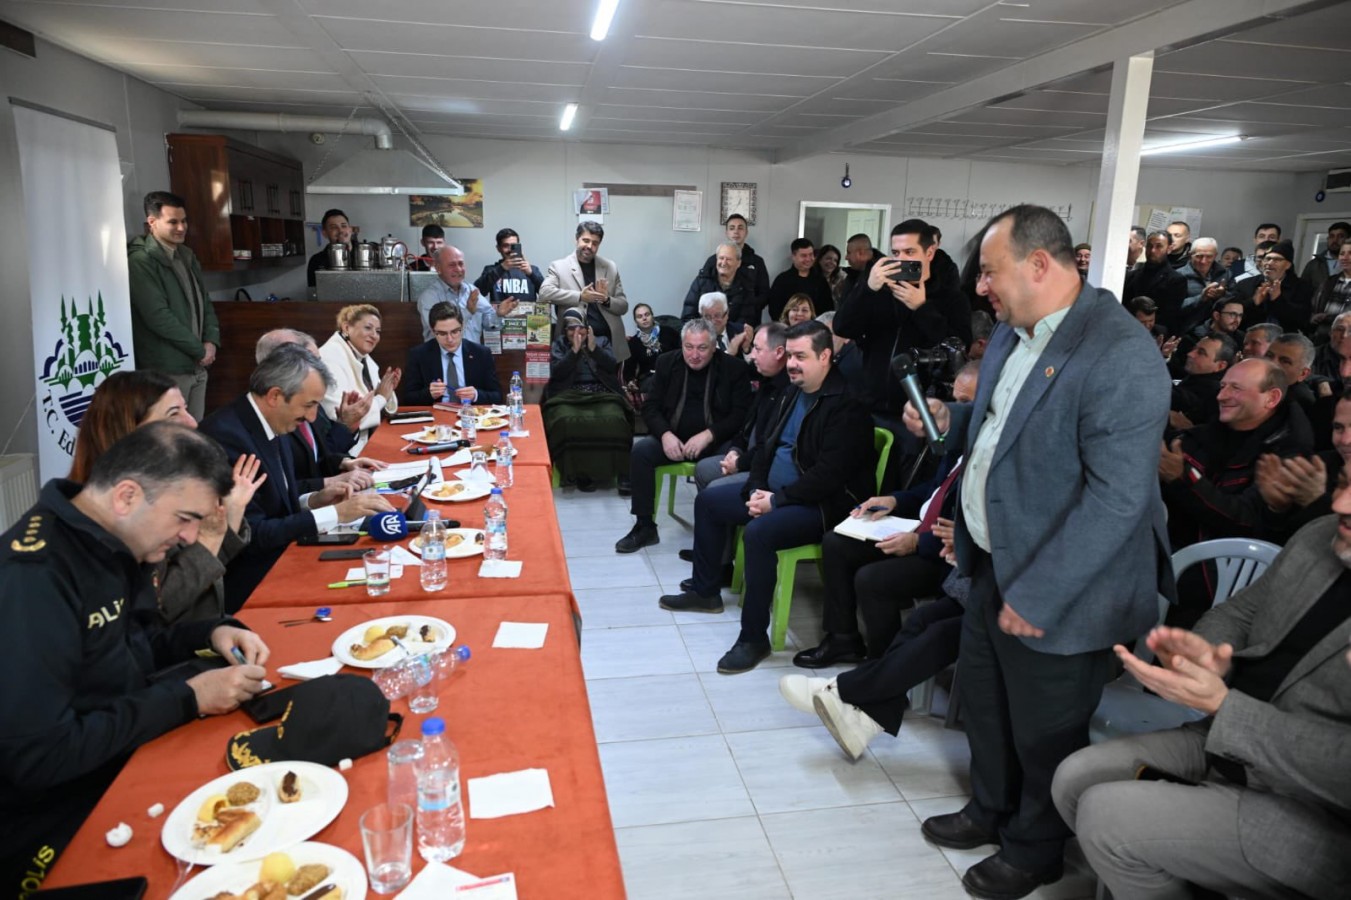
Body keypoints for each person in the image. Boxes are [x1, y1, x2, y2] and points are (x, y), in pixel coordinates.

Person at [904, 205, 1172, 900]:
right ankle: (989, 808)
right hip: (997, 562)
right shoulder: (1011, 332)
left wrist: (1041, 591)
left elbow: (1116, 501)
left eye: (990, 272)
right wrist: (953, 418)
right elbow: (1007, 421)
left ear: (1040, 265)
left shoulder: (1118, 353)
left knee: (1045, 729)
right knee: (987, 703)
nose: (981, 287)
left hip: (1066, 585)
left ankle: (1035, 848)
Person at [0, 422, 270, 887]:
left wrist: (211, 632)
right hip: (58, 818)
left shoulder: (111, 540)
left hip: (124, 756)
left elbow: (136, 648)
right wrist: (189, 698)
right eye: (184, 518)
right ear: (126, 496)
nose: (190, 538)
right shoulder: (34, 577)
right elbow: (39, 756)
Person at [1051, 499, 1351, 900]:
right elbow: (1239, 612)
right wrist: (1207, 652)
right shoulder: (1320, 533)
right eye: (1345, 480)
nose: (1340, 502)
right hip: (1223, 742)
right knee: (1074, 778)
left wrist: (1227, 709)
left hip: (1314, 811)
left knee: (1105, 819)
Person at [659, 321, 875, 674]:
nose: (792, 364)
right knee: (709, 502)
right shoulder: (792, 392)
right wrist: (755, 488)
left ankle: (753, 639)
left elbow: (828, 476)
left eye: (800, 356)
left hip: (823, 505)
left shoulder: (846, 404)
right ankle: (705, 591)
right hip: (779, 494)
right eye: (789, 355)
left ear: (825, 356)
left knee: (760, 534)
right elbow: (765, 448)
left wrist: (776, 501)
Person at [795, 362, 978, 668]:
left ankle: (883, 666)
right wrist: (893, 500)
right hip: (920, 530)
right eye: (955, 400)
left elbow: (969, 533)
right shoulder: (957, 443)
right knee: (836, 542)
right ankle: (842, 638)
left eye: (966, 403)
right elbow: (933, 491)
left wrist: (917, 543)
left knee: (872, 579)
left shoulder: (988, 455)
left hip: (945, 555)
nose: (955, 411)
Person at [199, 345, 394, 609]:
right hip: (257, 582)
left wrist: (314, 500)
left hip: (290, 555)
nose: (312, 417)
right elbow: (252, 533)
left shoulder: (273, 421)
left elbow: (279, 504)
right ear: (275, 396)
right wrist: (336, 514)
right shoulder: (225, 437)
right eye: (309, 405)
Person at [67, 370, 263, 625]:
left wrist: (231, 514)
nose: (192, 423)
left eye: (186, 409)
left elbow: (206, 568)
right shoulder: (115, 508)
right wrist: (210, 539)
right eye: (173, 414)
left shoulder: (164, 481)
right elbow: (158, 607)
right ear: (130, 428)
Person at [1159, 358, 1312, 627]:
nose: (1221, 396)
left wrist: (1183, 479)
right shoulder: (1204, 435)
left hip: (1221, 578)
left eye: (1236, 388)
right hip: (1171, 552)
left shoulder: (1287, 454)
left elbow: (1243, 519)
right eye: (1222, 386)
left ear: (1271, 398)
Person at [615, 318, 752, 553]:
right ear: (682, 345)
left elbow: (740, 415)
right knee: (641, 452)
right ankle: (645, 526)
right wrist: (665, 434)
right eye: (689, 347)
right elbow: (650, 407)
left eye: (702, 348)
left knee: (724, 464)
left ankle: (716, 544)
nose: (694, 355)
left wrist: (709, 434)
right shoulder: (667, 362)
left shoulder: (734, 368)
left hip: (716, 441)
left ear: (714, 347)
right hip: (674, 438)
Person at [832, 219, 971, 429]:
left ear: (930, 252)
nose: (901, 259)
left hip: (920, 411)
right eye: (896, 253)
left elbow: (960, 349)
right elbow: (842, 327)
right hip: (870, 405)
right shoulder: (880, 292)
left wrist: (922, 308)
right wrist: (867, 288)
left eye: (909, 252)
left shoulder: (952, 299)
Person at [127, 191, 220, 420]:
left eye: (184, 221)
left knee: (194, 431)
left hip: (197, 365)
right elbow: (157, 316)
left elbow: (204, 301)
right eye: (173, 222)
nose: (181, 228)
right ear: (152, 222)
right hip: (169, 368)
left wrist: (211, 341)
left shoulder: (186, 255)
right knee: (170, 434)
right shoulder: (141, 260)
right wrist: (199, 350)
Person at [254, 328, 384, 493]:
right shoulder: (268, 417)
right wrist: (327, 483)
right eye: (312, 362)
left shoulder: (309, 397)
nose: (321, 369)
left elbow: (319, 455)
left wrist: (343, 462)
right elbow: (281, 488)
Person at [543, 307, 633, 491]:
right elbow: (557, 373)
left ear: (588, 327)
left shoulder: (601, 341)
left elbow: (611, 366)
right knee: (565, 421)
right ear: (565, 330)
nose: (576, 332)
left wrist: (594, 349)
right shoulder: (560, 344)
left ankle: (623, 473)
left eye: (580, 327)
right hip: (569, 395)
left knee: (616, 419)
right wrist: (574, 351)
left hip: (602, 393)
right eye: (571, 328)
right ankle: (578, 473)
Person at [541, 221, 630, 367]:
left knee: (609, 381)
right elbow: (544, 293)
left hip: (607, 344)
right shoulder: (559, 266)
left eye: (595, 243)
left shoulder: (610, 267)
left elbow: (623, 306)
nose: (589, 246)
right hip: (573, 342)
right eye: (586, 240)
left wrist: (606, 300)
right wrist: (580, 297)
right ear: (576, 239)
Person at [317, 304, 400, 455]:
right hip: (341, 452)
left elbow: (379, 401)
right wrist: (381, 397)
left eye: (378, 331)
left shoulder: (362, 356)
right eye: (368, 328)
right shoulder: (329, 357)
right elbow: (341, 415)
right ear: (346, 328)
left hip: (365, 442)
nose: (374, 335)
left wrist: (387, 390)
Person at [401, 302, 502, 405]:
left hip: (470, 412)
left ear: (462, 326)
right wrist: (428, 394)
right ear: (433, 331)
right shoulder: (419, 355)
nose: (450, 339)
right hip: (437, 412)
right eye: (442, 333)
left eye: (455, 332)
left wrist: (476, 395)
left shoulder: (481, 354)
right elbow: (408, 399)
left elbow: (497, 396)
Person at [418, 245, 500, 344]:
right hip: (444, 353)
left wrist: (498, 314)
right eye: (452, 265)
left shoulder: (471, 290)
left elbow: (490, 324)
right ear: (438, 268)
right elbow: (440, 333)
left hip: (473, 352)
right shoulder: (429, 297)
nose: (458, 269)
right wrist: (468, 312)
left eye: (461, 264)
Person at [1236, 238, 1313, 334]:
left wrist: (1277, 300)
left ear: (1288, 265)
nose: (1269, 263)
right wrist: (1253, 302)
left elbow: (1302, 321)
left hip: (1284, 339)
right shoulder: (1245, 284)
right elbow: (1234, 316)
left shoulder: (1301, 287)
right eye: (1267, 259)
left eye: (1277, 260)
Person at [680, 242, 758, 331]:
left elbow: (746, 320)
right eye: (721, 258)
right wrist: (704, 334)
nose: (723, 263)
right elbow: (688, 317)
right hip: (701, 334)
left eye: (728, 259)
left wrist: (725, 333)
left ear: (738, 263)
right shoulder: (702, 281)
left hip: (732, 336)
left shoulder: (746, 286)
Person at [700, 214, 769, 312]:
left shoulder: (757, 261)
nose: (736, 231)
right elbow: (703, 289)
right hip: (717, 316)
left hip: (748, 317)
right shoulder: (714, 260)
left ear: (746, 232)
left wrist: (750, 309)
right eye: (732, 228)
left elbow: (764, 293)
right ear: (727, 233)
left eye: (740, 228)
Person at [1123, 230, 1187, 334]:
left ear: (1169, 248)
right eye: (1149, 246)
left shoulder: (1176, 280)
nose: (1153, 250)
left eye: (1159, 246)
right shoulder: (1131, 276)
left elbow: (1168, 317)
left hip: (1155, 334)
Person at [473, 227, 539, 316]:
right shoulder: (491, 270)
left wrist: (531, 274)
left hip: (528, 321)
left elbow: (547, 293)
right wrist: (501, 268)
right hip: (499, 321)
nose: (510, 249)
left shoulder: (532, 269)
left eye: (513, 246)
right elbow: (477, 293)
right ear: (498, 248)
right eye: (505, 246)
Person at [1177, 237, 1234, 335]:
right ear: (1190, 255)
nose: (1203, 261)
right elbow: (1173, 307)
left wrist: (1222, 295)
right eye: (1199, 256)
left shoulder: (1225, 273)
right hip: (1189, 331)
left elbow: (1236, 300)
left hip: (1219, 330)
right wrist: (1201, 298)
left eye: (1209, 257)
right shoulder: (1179, 276)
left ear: (1215, 255)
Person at [766, 238, 833, 321]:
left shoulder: (820, 281)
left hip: (815, 326)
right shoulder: (782, 280)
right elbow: (774, 310)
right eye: (804, 256)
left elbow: (827, 309)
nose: (808, 259)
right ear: (793, 256)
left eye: (811, 255)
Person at [623, 302, 678, 392]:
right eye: (640, 316)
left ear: (652, 316)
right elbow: (628, 370)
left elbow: (681, 354)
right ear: (636, 321)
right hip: (649, 378)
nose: (644, 318)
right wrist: (631, 382)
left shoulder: (669, 332)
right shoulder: (633, 343)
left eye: (647, 314)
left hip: (672, 373)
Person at [307, 208, 354, 287]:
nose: (340, 230)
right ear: (325, 233)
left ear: (350, 230)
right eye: (334, 227)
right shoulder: (316, 261)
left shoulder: (369, 252)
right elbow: (314, 290)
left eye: (344, 226)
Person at [1300, 220, 1349, 293]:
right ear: (1328, 239)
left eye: (1340, 236)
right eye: (1331, 236)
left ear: (1348, 239)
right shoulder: (1314, 265)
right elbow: (1301, 292)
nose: (1335, 240)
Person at [699, 291, 752, 356]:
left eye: (717, 316)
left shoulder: (740, 331)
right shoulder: (697, 338)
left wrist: (746, 349)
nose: (712, 322)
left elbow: (753, 361)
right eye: (707, 317)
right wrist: (729, 353)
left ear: (727, 314)